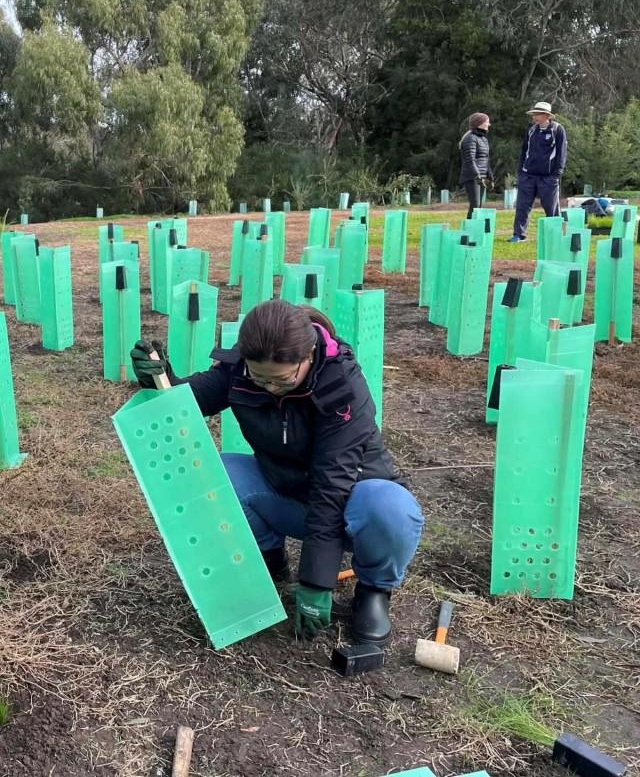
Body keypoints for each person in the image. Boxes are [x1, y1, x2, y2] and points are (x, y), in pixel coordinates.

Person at [131, 300, 424, 646]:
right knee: (219, 474)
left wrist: (317, 583)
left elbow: (332, 487)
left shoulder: (342, 387)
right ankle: (268, 561)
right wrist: (158, 378)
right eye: (260, 377)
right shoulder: (240, 370)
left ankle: (374, 590)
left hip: (351, 506)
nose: (269, 388)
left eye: (282, 379)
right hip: (286, 493)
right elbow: (187, 405)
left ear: (309, 356)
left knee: (391, 509)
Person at [510, 101, 568, 242]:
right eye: (534, 114)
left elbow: (562, 154)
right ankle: (518, 234)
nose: (534, 117)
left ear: (547, 116)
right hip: (528, 175)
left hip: (548, 177)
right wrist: (521, 172)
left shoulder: (557, 130)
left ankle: (557, 236)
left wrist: (556, 174)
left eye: (538, 114)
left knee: (551, 208)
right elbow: (524, 151)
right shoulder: (531, 130)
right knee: (522, 206)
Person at [459, 112, 493, 219]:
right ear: (479, 123)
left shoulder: (483, 139)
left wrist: (490, 176)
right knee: (475, 206)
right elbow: (470, 160)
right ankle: (468, 232)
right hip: (471, 176)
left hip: (481, 177)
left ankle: (476, 231)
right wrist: (477, 176)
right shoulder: (470, 138)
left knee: (479, 207)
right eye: (487, 122)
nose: (489, 124)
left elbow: (486, 159)